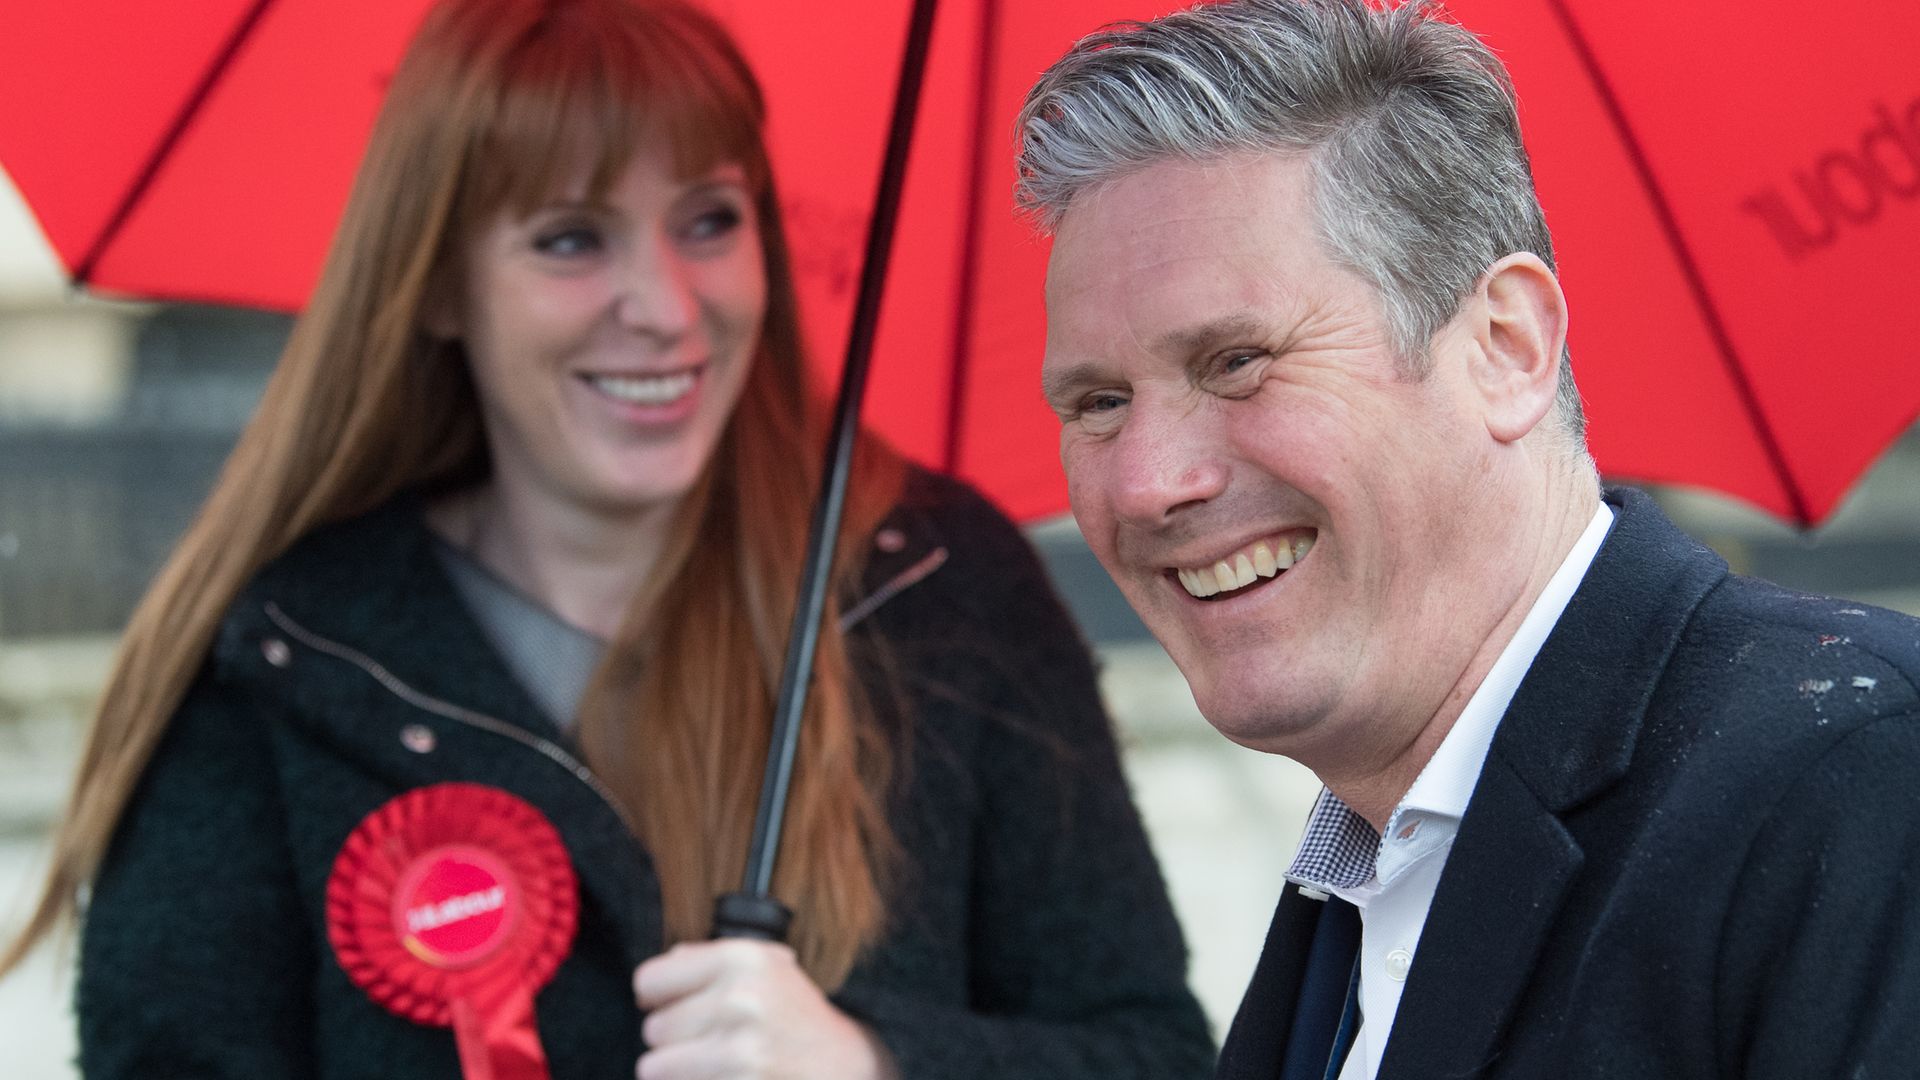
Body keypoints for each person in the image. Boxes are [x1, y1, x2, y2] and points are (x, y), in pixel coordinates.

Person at [0, 1, 1217, 1077]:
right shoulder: (277, 665)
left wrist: (873, 1063)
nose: (667, 309)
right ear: (434, 285)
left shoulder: (943, 583)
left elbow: (1151, 1050)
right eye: (572, 239)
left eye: (708, 221)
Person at [1015, 1, 1920, 1078]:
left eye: (1236, 361)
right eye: (1099, 401)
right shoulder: (1362, 880)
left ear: (1506, 346)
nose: (1151, 481)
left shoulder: (1854, 780)